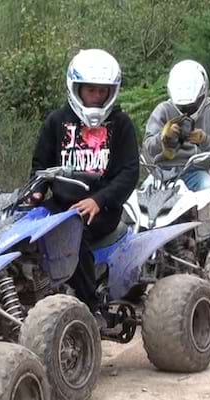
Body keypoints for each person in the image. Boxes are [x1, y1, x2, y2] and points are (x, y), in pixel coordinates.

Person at [30, 49, 139, 323]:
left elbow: (129, 172)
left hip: (102, 208)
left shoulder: (121, 124)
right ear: (76, 88)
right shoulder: (56, 121)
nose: (98, 97)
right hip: (61, 203)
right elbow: (40, 165)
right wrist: (37, 190)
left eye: (103, 91)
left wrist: (99, 200)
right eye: (91, 90)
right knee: (24, 230)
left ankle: (91, 308)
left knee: (72, 235)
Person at [143, 59, 210, 241]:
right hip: (161, 173)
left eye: (191, 106)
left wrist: (205, 140)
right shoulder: (163, 110)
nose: (187, 111)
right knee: (140, 202)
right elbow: (148, 147)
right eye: (183, 107)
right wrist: (163, 137)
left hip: (195, 171)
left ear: (202, 94)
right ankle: (142, 250)